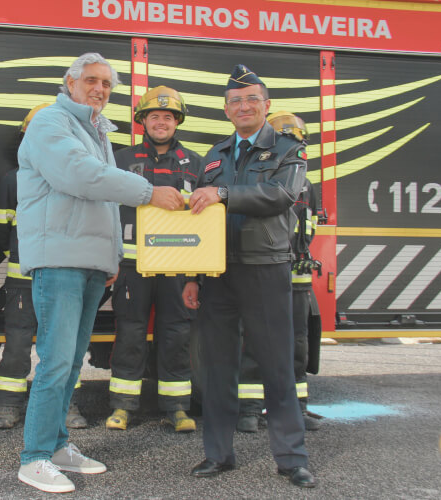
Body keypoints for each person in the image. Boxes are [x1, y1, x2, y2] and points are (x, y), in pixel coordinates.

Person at [15, 52, 185, 494]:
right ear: (69, 82)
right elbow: (81, 177)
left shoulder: (95, 131)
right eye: (91, 81)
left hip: (87, 263)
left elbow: (104, 203)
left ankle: (57, 446)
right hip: (59, 261)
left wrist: (109, 260)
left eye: (107, 84)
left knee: (70, 363)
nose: (99, 89)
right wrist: (148, 192)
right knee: (55, 363)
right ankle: (33, 457)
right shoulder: (51, 123)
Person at [182, 65, 316, 488]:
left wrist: (222, 193)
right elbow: (196, 221)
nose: (243, 106)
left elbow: (281, 195)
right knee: (218, 369)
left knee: (277, 367)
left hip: (265, 270)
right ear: (226, 109)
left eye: (251, 99)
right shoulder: (214, 155)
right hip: (217, 274)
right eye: (236, 101)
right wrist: (191, 275)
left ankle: (291, 458)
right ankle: (218, 455)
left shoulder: (287, 149)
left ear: (266, 105)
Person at [105, 86, 203, 433]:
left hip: (177, 268)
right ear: (142, 121)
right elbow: (106, 212)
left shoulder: (196, 163)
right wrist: (110, 260)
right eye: (154, 116)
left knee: (176, 335)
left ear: (177, 122)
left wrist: (195, 276)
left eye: (167, 117)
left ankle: (176, 408)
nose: (160, 122)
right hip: (131, 267)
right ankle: (122, 406)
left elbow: (202, 221)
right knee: (129, 334)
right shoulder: (120, 160)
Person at [0, 103, 88, 430]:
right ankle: (8, 407)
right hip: (23, 279)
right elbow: (2, 230)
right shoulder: (11, 182)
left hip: (64, 278)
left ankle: (65, 406)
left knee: (61, 347)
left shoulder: (76, 182)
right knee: (17, 346)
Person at [237, 112, 323, 434]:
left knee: (296, 346)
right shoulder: (262, 184)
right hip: (264, 273)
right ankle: (248, 409)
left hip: (297, 279)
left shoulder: (308, 186)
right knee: (255, 342)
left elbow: (308, 228)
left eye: (298, 142)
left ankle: (296, 408)